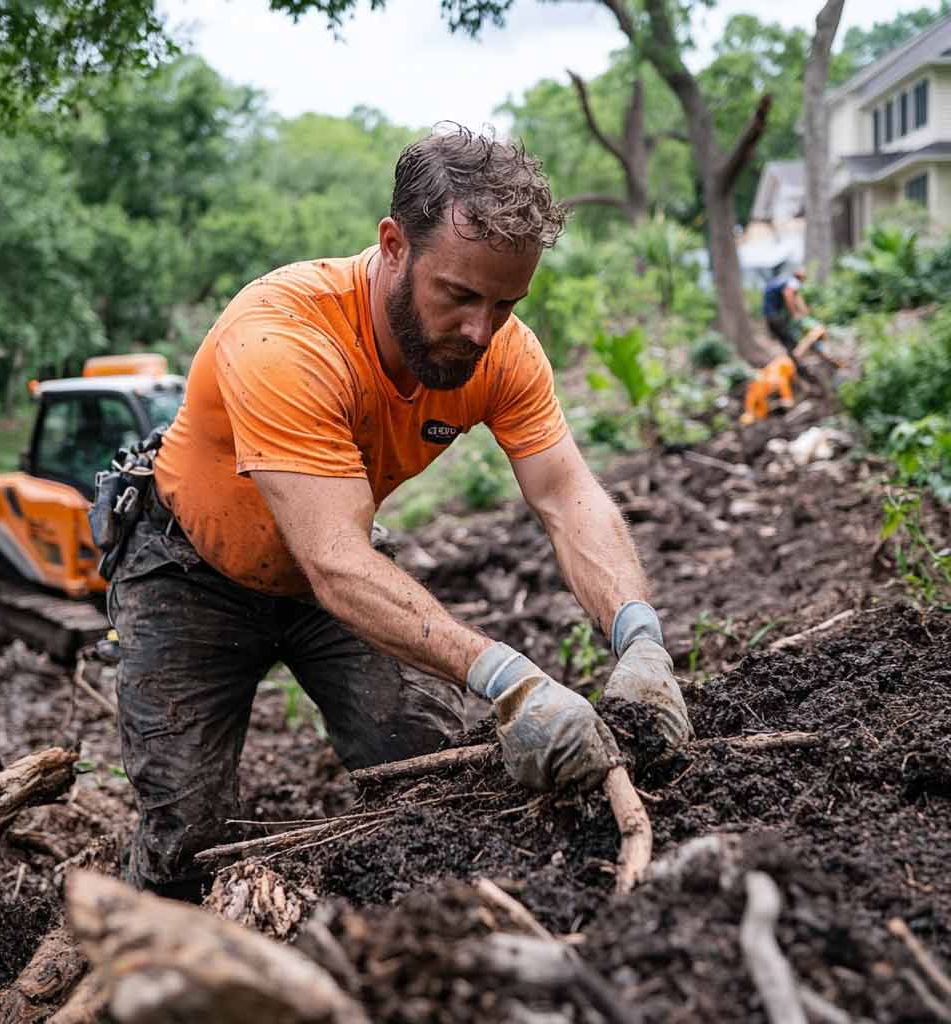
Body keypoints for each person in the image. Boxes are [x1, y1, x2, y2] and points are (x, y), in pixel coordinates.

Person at [106, 124, 693, 901]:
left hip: (333, 575)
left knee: (432, 779)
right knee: (190, 836)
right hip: (191, 574)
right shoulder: (284, 338)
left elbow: (566, 493)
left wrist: (640, 635)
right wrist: (512, 682)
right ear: (392, 244)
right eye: (459, 296)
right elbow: (335, 562)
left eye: (506, 302)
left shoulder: (501, 351)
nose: (481, 330)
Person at [762, 266, 809, 354]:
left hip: (769, 314)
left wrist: (804, 310)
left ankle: (793, 361)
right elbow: (788, 294)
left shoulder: (786, 280)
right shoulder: (793, 282)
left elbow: (797, 297)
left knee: (784, 340)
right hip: (774, 315)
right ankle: (796, 363)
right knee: (790, 340)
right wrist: (794, 313)